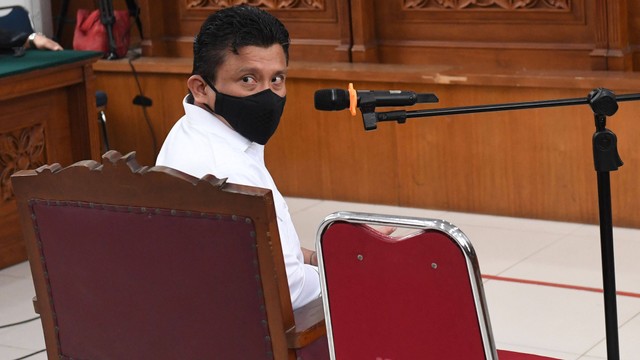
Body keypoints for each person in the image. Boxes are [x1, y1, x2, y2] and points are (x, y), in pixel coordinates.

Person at [155, 5, 321, 310]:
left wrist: (320, 256)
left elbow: (259, 256)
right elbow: (289, 290)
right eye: (248, 80)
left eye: (277, 79)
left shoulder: (186, 130)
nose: (268, 95)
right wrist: (354, 269)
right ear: (201, 87)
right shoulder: (228, 172)